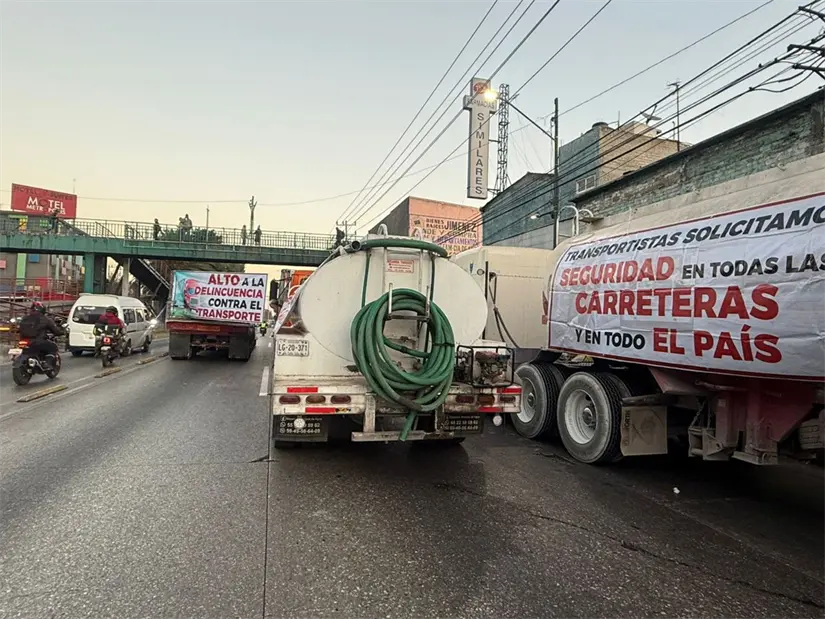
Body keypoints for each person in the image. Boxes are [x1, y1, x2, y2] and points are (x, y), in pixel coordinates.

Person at [17, 302, 64, 367]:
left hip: (23, 341)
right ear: (43, 310)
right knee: (53, 348)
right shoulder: (45, 319)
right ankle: (47, 363)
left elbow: (18, 329)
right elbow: (55, 331)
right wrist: (61, 332)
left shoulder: (24, 318)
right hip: (38, 342)